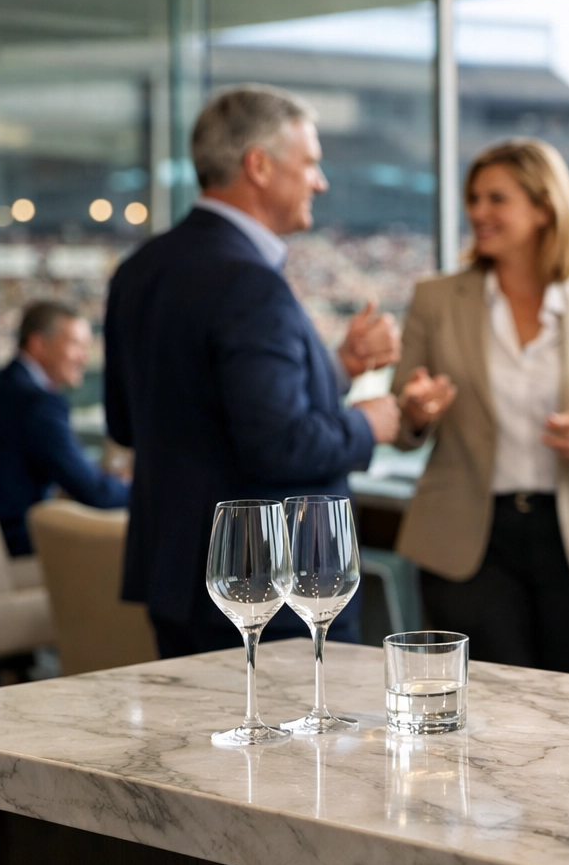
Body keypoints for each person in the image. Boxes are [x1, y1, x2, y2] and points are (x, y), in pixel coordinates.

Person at [104, 84, 402, 659]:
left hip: (178, 577)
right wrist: (370, 423)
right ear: (259, 166)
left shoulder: (141, 267)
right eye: (311, 163)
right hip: (268, 592)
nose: (320, 181)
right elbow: (277, 444)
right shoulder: (250, 282)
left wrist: (339, 367)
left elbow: (129, 421)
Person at [390, 138, 569, 677]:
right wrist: (417, 411)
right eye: (473, 198)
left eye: (496, 199)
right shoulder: (435, 299)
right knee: (491, 713)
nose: (477, 213)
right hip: (467, 539)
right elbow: (403, 417)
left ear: (543, 207)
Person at [0, 301, 129, 557]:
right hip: (9, 546)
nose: (84, 357)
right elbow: (96, 493)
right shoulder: (39, 404)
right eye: (75, 345)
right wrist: (145, 491)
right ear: (39, 344)